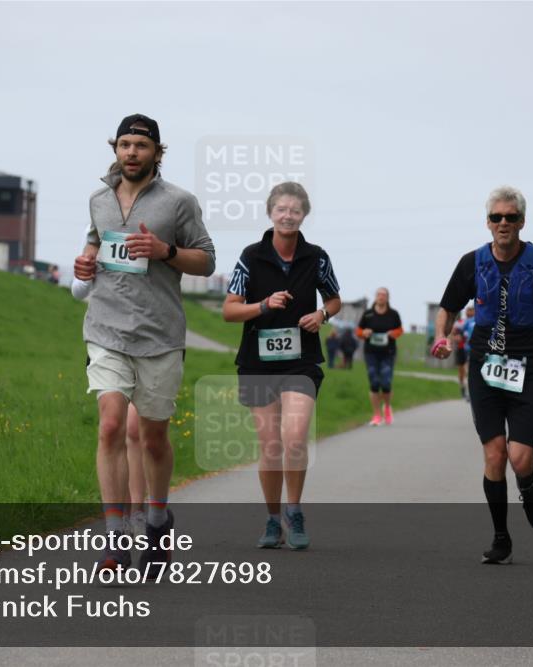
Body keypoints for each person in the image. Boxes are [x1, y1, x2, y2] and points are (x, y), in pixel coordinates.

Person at [74, 113, 216, 574]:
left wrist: (165, 252)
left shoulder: (179, 202)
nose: (131, 152)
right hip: (106, 329)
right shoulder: (98, 199)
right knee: (111, 426)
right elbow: (95, 245)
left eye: (141, 145)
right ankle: (115, 540)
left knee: (153, 438)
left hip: (159, 335)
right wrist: (85, 264)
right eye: (125, 144)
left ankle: (157, 520)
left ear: (157, 152)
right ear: (115, 148)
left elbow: (207, 260)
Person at [430, 185, 533, 565]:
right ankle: (501, 538)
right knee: (495, 455)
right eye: (497, 217)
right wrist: (441, 336)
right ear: (488, 223)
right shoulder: (471, 263)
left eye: (511, 217)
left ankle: (527, 482)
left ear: (522, 221)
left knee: (520, 458)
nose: (504, 223)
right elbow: (446, 307)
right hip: (484, 366)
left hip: (526, 366)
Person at [222, 182, 341, 550]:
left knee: (294, 437)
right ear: (270, 212)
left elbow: (335, 300)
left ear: (304, 214)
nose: (288, 215)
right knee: (271, 446)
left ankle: (294, 510)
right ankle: (273, 520)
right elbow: (229, 310)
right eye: (281, 209)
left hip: (301, 362)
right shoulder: (251, 256)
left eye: (295, 210)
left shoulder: (317, 256)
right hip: (258, 362)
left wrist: (321, 314)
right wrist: (263, 305)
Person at [71, 243, 146, 535]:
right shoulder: (101, 226)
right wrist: (84, 273)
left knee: (139, 431)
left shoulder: (162, 218)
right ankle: (121, 522)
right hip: (108, 341)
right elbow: (78, 290)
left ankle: (141, 512)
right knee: (116, 427)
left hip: (153, 340)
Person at [356, 287, 403, 425]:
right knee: (374, 382)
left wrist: (392, 334)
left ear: (388, 298)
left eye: (384, 295)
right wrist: (364, 333)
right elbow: (358, 331)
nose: (381, 297)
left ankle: (387, 407)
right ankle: (376, 415)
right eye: (379, 295)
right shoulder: (368, 314)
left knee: (386, 382)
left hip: (388, 353)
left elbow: (400, 330)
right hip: (371, 352)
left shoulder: (393, 314)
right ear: (375, 297)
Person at [453, 306, 475, 401]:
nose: (469, 313)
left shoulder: (477, 321)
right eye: (467, 311)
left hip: (471, 349)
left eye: (471, 311)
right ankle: (463, 388)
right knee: (461, 370)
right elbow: (455, 332)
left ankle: (469, 392)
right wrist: (456, 337)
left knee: (469, 370)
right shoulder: (462, 322)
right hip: (462, 349)